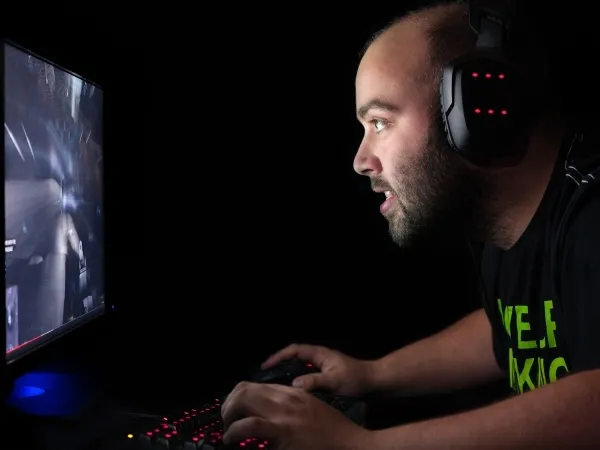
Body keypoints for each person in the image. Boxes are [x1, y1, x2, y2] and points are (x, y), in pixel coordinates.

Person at [221, 2, 600, 449]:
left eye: (380, 122)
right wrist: (372, 374)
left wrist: (361, 445)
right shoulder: (503, 223)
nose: (361, 161)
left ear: (474, 110)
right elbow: (515, 327)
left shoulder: (591, 210)